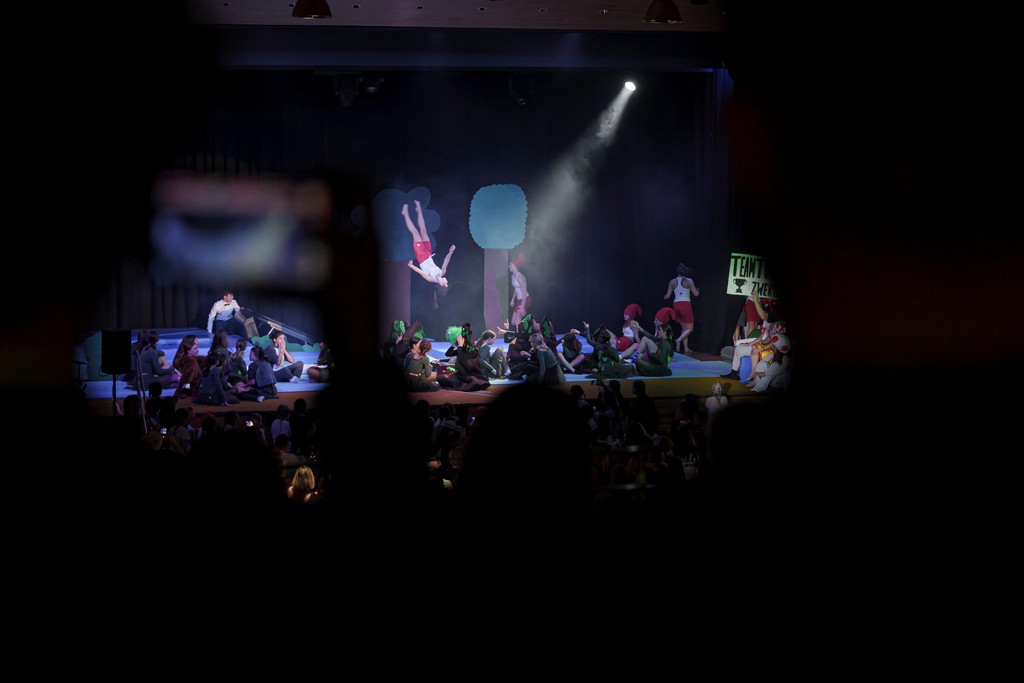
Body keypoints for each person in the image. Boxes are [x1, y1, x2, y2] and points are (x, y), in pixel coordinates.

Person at [403, 200, 455, 309]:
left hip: (422, 257)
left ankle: (405, 213)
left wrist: (411, 266)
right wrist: (450, 252)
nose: (447, 281)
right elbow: (446, 261)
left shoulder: (431, 279)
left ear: (441, 284)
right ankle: (418, 209)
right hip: (428, 253)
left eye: (446, 283)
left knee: (415, 232)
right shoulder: (442, 272)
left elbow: (421, 272)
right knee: (423, 230)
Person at [437, 324, 490, 392]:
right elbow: (448, 354)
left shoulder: (474, 351)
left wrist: (460, 345)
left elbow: (461, 358)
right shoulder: (462, 349)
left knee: (466, 384)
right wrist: (455, 345)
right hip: (460, 376)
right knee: (441, 377)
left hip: (471, 377)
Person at [664, 263, 699, 354]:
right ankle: (679, 340)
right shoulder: (689, 280)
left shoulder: (672, 282)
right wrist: (698, 290)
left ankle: (686, 348)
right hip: (685, 305)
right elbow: (696, 294)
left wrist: (664, 296)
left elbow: (667, 296)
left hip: (676, 305)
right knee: (690, 328)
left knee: (684, 327)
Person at [172, 335, 206, 399]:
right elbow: (186, 378)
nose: (197, 342)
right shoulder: (187, 359)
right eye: (196, 340)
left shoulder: (191, 357)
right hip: (187, 385)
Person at [508, 253, 530, 330]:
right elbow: (516, 288)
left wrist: (522, 307)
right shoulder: (513, 276)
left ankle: (520, 337)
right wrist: (512, 299)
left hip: (525, 299)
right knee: (513, 322)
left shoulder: (520, 277)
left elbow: (524, 292)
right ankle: (529, 326)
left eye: (510, 265)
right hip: (519, 300)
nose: (509, 267)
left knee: (517, 321)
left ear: (515, 266)